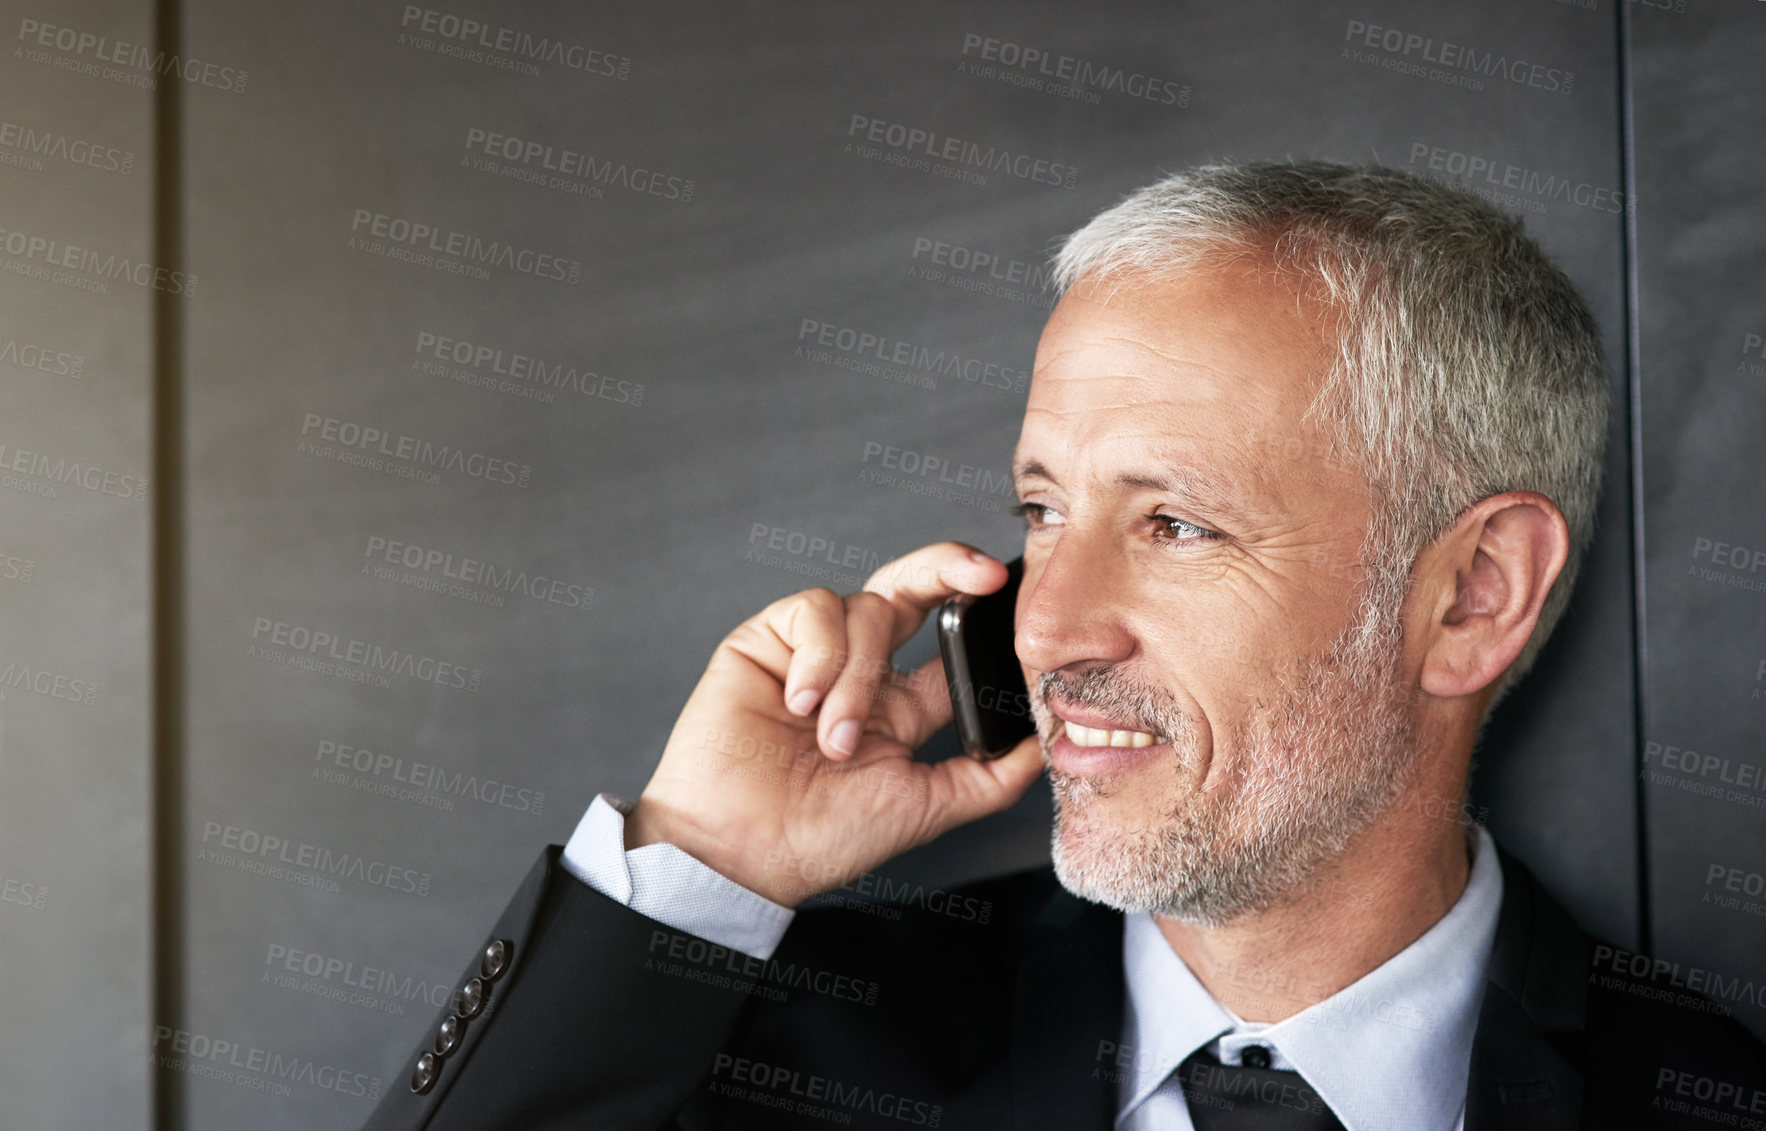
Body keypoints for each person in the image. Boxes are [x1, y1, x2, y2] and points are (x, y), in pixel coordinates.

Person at [360, 163, 1765, 1131]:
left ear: (1470, 595)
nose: (1041, 623)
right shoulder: (784, 1059)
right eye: (1040, 507)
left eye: (1173, 524)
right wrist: (698, 864)